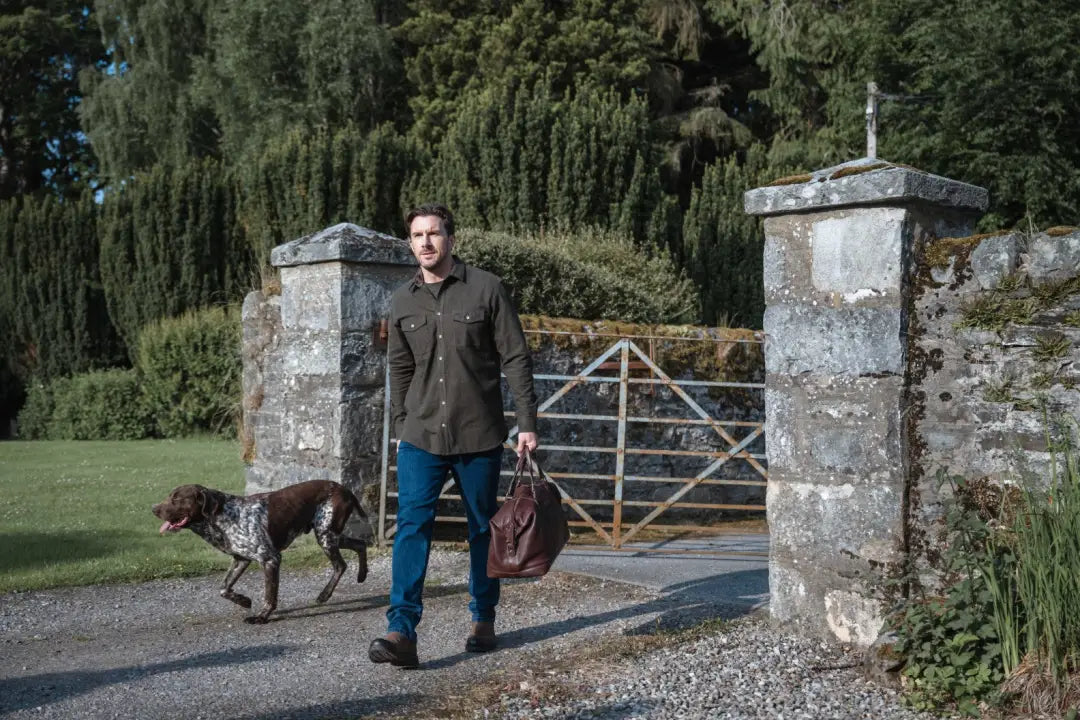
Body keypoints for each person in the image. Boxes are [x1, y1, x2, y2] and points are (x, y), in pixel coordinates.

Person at [369, 203, 539, 668]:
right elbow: (400, 367)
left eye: (434, 234)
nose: (425, 242)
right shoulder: (403, 300)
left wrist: (527, 423)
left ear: (451, 239)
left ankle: (483, 616)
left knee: (483, 526)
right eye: (417, 235)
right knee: (411, 526)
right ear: (410, 242)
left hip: (479, 432)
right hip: (420, 434)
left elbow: (516, 358)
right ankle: (401, 631)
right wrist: (402, 426)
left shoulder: (486, 289)